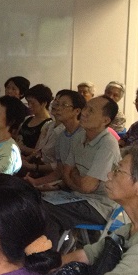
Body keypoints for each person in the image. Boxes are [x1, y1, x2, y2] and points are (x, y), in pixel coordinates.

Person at [46, 146, 138, 275]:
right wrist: (47, 268)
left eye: (118, 171)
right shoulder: (132, 228)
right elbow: (87, 254)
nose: (109, 175)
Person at [42, 95, 121, 249]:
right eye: (86, 108)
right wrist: (77, 180)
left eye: (91, 111)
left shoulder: (107, 144)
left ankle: (47, 259)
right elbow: (66, 172)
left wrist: (75, 178)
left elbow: (87, 186)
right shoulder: (80, 136)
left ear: (105, 120)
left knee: (47, 211)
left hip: (99, 206)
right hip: (77, 197)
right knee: (34, 202)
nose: (84, 113)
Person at [24, 90, 85, 184]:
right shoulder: (62, 135)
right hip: (62, 183)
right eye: (57, 104)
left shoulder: (83, 135)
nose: (58, 108)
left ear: (77, 111)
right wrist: (35, 182)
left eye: (64, 105)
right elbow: (58, 172)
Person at [17, 84, 54, 157]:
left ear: (43, 103)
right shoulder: (27, 119)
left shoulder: (48, 125)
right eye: (28, 102)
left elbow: (41, 152)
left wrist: (21, 148)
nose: (29, 105)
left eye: (33, 103)